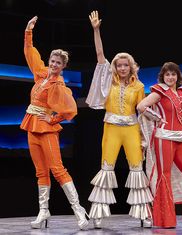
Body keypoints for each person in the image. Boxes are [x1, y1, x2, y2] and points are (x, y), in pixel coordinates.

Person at [86, 10, 153, 229]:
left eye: (126, 65)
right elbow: (99, 54)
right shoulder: (109, 81)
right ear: (115, 67)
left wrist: (146, 135)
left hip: (132, 129)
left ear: (131, 67)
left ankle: (144, 214)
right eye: (119, 65)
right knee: (106, 168)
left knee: (136, 168)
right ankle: (97, 215)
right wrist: (96, 30)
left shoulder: (139, 86)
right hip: (112, 128)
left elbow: (142, 112)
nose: (122, 68)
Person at [20, 16, 89, 230]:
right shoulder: (41, 75)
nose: (54, 65)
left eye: (58, 63)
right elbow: (30, 54)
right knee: (41, 171)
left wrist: (52, 118)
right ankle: (43, 211)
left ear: (63, 66)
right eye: (52, 61)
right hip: (32, 124)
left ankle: (79, 210)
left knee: (58, 169)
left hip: (47, 128)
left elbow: (70, 108)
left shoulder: (59, 84)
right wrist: (28, 31)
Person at [137, 42, 182, 228]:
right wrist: (157, 118)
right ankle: (165, 219)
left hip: (181, 140)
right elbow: (141, 106)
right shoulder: (159, 91)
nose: (170, 77)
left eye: (173, 74)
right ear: (163, 76)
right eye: (167, 74)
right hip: (164, 140)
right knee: (164, 177)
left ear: (177, 75)